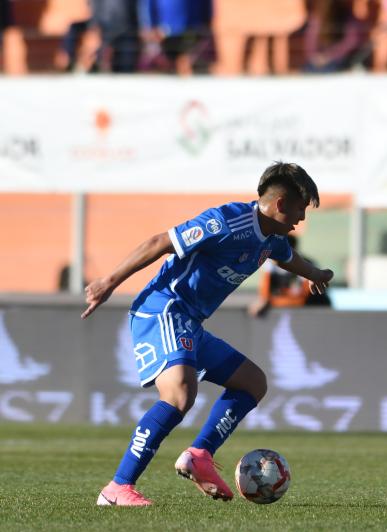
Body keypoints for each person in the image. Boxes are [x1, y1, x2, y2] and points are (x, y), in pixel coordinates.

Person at [82, 162, 334, 506]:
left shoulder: (272, 238)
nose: (302, 218)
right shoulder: (226, 221)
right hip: (163, 309)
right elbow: (160, 241)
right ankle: (117, 488)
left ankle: (199, 455)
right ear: (281, 203)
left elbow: (288, 258)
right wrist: (108, 282)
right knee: (180, 394)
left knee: (252, 382)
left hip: (190, 322)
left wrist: (315, 272)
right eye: (301, 209)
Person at [247, 234, 331, 317]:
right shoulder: (269, 264)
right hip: (286, 307)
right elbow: (264, 296)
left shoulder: (306, 266)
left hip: (312, 309)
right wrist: (267, 302)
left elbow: (302, 300)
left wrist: (272, 303)